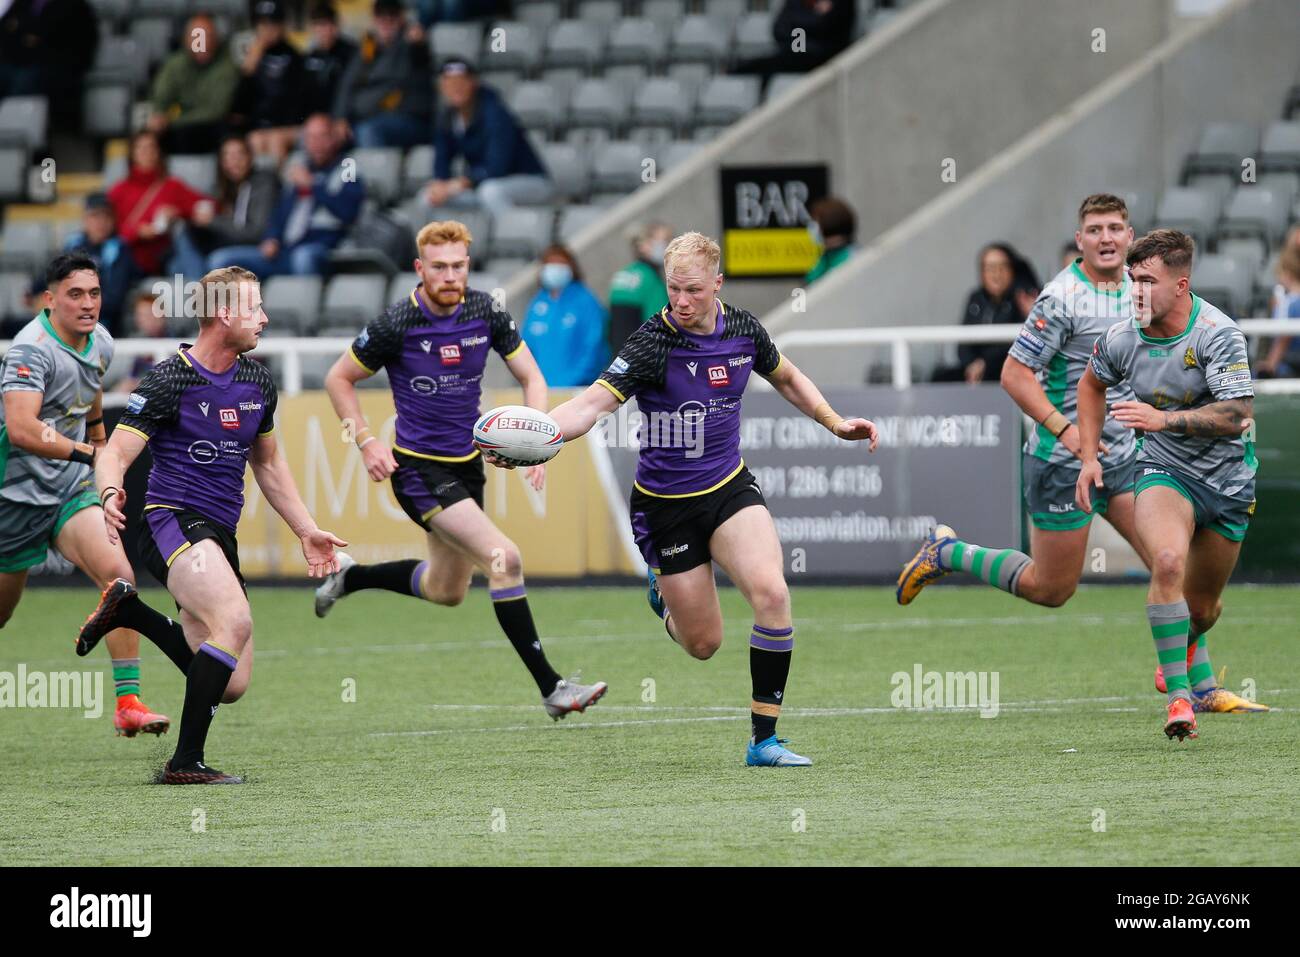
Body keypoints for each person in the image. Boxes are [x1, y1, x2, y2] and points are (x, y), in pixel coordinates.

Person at [491, 231, 880, 766]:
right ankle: (665, 598)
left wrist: (834, 422)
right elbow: (591, 406)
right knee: (703, 644)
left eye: (693, 289)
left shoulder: (743, 328)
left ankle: (763, 741)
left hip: (728, 489)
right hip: (665, 508)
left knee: (771, 594)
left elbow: (786, 376)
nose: (681, 300)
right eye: (673, 288)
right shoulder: (653, 341)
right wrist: (542, 439)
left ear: (717, 283)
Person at [313, 220, 607, 720]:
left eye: (458, 266)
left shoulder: (486, 311)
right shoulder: (396, 323)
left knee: (445, 590)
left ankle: (350, 578)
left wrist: (539, 439)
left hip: (468, 466)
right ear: (419, 268)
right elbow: (338, 378)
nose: (450, 276)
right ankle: (553, 688)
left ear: (468, 266)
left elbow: (531, 376)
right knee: (504, 559)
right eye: (439, 266)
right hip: (417, 470)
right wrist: (364, 441)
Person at [79, 266, 347, 784]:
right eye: (256, 308)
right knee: (236, 621)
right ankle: (184, 764)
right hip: (171, 522)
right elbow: (114, 453)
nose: (265, 318)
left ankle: (132, 612)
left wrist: (306, 529)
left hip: (219, 535)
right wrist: (110, 491)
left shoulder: (256, 380)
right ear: (225, 314)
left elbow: (267, 464)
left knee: (232, 683)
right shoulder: (168, 379)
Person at [899, 195, 1152, 608]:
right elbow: (1014, 375)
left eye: (1113, 228)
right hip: (1063, 463)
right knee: (1051, 589)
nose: (1105, 238)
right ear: (1080, 239)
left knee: (1171, 565)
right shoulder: (1061, 299)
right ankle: (946, 552)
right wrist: (1067, 431)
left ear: (1129, 236)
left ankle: (1183, 675)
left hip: (1123, 459)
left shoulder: (1142, 286)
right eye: (1094, 230)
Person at [1076, 229, 1269, 740]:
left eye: (1147, 282)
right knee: (1165, 563)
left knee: (1203, 609)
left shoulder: (1216, 333)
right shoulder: (1121, 338)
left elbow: (1236, 415)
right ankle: (1180, 701)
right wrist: (1089, 456)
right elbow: (1090, 384)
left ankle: (1178, 650)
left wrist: (1162, 421)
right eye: (1131, 281)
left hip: (1228, 483)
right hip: (1164, 471)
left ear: (1181, 285)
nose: (1135, 292)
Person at [0, 253, 171, 738]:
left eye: (94, 293)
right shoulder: (30, 350)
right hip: (14, 495)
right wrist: (90, 454)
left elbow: (90, 399)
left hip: (69, 491)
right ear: (50, 299)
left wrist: (101, 455)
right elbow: (21, 429)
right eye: (75, 294)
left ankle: (128, 703)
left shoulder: (102, 342)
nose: (88, 303)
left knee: (119, 577)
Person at [210, 115, 363, 278]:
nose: (316, 143)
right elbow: (280, 212)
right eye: (310, 137)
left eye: (322, 136)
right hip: (284, 251)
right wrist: (272, 238)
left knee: (303, 257)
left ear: (334, 138)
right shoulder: (301, 167)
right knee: (221, 260)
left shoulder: (348, 167)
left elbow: (348, 212)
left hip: (322, 248)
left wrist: (313, 186)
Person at [423, 58, 552, 219]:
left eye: (461, 81)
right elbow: (441, 161)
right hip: (483, 183)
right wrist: (441, 185)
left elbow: (497, 167)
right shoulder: (447, 117)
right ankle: (434, 242)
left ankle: (511, 234)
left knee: (491, 192)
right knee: (427, 197)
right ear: (442, 87)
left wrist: (461, 183)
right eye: (449, 83)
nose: (456, 88)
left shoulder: (495, 113)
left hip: (529, 181)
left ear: (473, 83)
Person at [106, 131, 216, 279]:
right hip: (130, 257)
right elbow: (107, 229)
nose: (147, 152)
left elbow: (208, 203)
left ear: (159, 152)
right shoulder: (119, 190)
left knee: (180, 246)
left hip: (162, 257)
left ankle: (202, 295)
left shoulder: (172, 186)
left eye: (152, 147)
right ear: (132, 154)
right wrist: (137, 232)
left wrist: (177, 212)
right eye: (141, 148)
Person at [171, 136, 282, 278]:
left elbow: (256, 233)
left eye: (239, 154)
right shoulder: (225, 188)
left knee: (218, 260)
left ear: (250, 157)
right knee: (175, 264)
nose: (234, 161)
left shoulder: (263, 184)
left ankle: (201, 296)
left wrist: (213, 222)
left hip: (259, 248)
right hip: (230, 244)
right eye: (228, 156)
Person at [333, 0, 433, 149]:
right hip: (364, 118)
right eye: (381, 18)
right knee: (322, 135)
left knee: (368, 131)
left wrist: (417, 41)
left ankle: (373, 173)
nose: (386, 23)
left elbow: (396, 85)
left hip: (403, 119)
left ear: (401, 19)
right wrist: (341, 118)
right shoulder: (367, 47)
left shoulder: (411, 44)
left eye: (392, 17)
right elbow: (347, 84)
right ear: (374, 20)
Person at [939, 243, 1040, 384]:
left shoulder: (1023, 298)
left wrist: (986, 362)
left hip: (1008, 372)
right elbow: (963, 341)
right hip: (976, 372)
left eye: (1002, 267)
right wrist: (971, 364)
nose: (996, 274)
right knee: (940, 377)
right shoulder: (975, 298)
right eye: (990, 268)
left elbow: (1020, 344)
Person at [146, 13, 242, 155]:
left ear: (216, 39)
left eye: (207, 36)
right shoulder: (175, 65)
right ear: (186, 39)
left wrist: (174, 120)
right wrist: (160, 116)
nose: (202, 42)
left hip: (212, 127)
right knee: (152, 135)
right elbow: (160, 101)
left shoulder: (227, 66)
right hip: (181, 130)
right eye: (197, 36)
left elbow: (217, 110)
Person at [0, 0, 98, 132]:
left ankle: (16, 131)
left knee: (26, 79)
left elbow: (69, 44)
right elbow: (6, 31)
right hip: (18, 62)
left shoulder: (74, 6)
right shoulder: (23, 3)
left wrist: (28, 39)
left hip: (54, 68)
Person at [522, 245, 609, 387]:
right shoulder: (538, 302)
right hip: (542, 389)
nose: (555, 269)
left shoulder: (586, 301)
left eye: (561, 264)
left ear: (571, 268)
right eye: (550, 264)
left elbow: (594, 345)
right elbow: (526, 346)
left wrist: (577, 380)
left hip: (578, 389)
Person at [232, 0, 308, 165]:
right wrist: (248, 70)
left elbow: (299, 100)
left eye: (273, 23)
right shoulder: (251, 57)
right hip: (259, 127)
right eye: (263, 23)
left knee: (275, 139)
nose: (268, 29)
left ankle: (274, 187)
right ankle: (262, 186)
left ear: (282, 25)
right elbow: (237, 106)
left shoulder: (294, 57)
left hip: (287, 126)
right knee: (256, 139)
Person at [733, 0, 856, 88]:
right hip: (795, 52)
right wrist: (806, 30)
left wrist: (798, 27)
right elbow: (779, 28)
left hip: (828, 56)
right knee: (753, 68)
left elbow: (828, 25)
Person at [62, 193, 135, 336]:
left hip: (106, 326)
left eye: (106, 216)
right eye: (95, 216)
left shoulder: (120, 249)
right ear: (85, 219)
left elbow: (114, 299)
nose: (101, 222)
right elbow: (49, 277)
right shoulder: (73, 245)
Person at [608, 221, 672, 352]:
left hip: (621, 356)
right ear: (643, 245)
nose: (668, 246)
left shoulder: (623, 274)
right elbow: (661, 325)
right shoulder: (650, 279)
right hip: (644, 358)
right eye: (663, 241)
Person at [303, 2, 360, 118]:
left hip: (343, 117)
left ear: (335, 25)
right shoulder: (309, 57)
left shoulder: (352, 53)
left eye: (325, 24)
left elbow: (353, 90)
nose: (322, 30)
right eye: (317, 25)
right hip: (314, 120)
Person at [110, 292, 170, 394]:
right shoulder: (131, 344)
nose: (145, 319)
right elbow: (111, 378)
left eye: (150, 314)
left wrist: (142, 383)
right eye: (140, 315)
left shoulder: (175, 344)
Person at [1256, 245, 1300, 378]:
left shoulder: (1289, 302)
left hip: (1290, 363)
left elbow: (1284, 338)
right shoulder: (1285, 301)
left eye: (1279, 274)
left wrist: (1271, 364)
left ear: (1287, 273)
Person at [804, 197, 858, 287]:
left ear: (829, 223)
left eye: (815, 222)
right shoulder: (822, 260)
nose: (811, 228)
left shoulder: (853, 258)